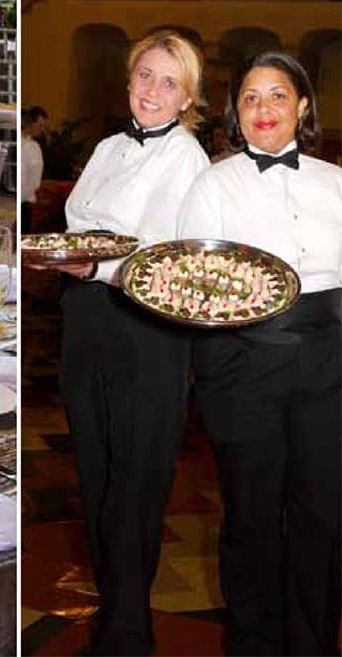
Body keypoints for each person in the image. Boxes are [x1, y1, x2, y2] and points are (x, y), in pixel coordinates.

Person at [28, 30, 210, 654]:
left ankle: (130, 632)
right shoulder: (108, 146)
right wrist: (72, 262)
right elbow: (80, 223)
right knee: (95, 470)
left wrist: (95, 266)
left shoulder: (186, 158)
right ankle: (114, 611)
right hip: (88, 319)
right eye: (144, 76)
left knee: (137, 479)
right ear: (129, 80)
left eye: (168, 82)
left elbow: (165, 256)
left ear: (188, 97)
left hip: (146, 329)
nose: (153, 91)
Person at [177, 52, 341, 656]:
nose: (264, 108)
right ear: (234, 112)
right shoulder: (212, 183)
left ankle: (314, 645)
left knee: (323, 517)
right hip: (242, 362)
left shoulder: (337, 183)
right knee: (250, 517)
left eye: (277, 95)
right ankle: (252, 645)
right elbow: (195, 284)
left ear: (302, 106)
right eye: (250, 97)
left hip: (330, 361)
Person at [20, 106, 48, 235]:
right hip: (24, 201)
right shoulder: (31, 147)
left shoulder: (32, 145)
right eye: (40, 125)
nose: (41, 130)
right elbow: (33, 179)